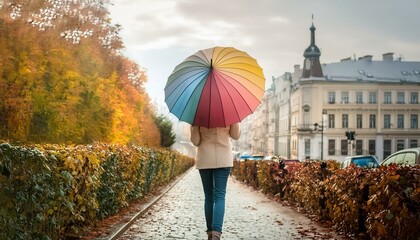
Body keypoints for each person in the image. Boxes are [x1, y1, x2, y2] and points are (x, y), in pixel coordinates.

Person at [190, 123, 241, 240]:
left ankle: (210, 232)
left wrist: (193, 126)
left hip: (205, 159)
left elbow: (196, 141)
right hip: (224, 158)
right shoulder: (229, 111)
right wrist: (236, 122)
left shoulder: (198, 113)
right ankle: (216, 233)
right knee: (220, 196)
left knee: (208, 196)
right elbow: (235, 135)